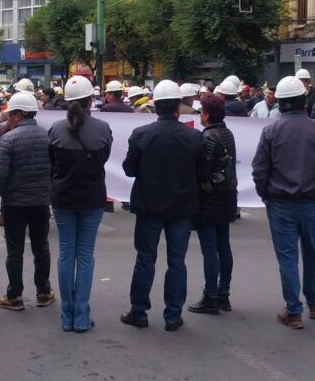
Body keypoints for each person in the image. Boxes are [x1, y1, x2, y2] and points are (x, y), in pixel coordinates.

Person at [252, 77, 315, 329]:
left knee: (287, 257)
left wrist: (266, 196)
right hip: (313, 202)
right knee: (313, 254)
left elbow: (260, 169)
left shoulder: (271, 131)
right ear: (305, 102)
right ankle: (314, 302)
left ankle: (293, 310)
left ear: (280, 104)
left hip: (281, 203)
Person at [121, 80, 206, 332]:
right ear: (178, 107)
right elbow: (202, 173)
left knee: (145, 259)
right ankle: (173, 315)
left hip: (148, 206)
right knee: (177, 261)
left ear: (155, 106)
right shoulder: (193, 136)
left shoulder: (141, 134)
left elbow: (129, 169)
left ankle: (139, 311)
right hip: (182, 207)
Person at [48, 76, 113, 332]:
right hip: (92, 198)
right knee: (85, 256)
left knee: (66, 254)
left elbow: (52, 163)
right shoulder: (103, 128)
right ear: (90, 100)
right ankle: (81, 316)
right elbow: (104, 159)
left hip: (63, 198)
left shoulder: (54, 129)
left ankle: (67, 317)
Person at [0, 91, 54, 311]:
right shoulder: (48, 135)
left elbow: (0, 175)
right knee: (41, 247)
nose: (7, 118)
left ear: (18, 114)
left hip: (14, 204)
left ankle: (15, 295)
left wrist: (4, 195)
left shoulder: (9, 139)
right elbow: (53, 169)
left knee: (15, 251)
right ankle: (43, 291)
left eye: (10, 114)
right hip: (40, 202)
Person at [188, 93, 239, 316]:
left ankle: (210, 296)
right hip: (227, 197)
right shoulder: (227, 133)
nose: (199, 115)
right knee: (223, 246)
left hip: (209, 200)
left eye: (201, 111)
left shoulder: (207, 137)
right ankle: (223, 294)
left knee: (209, 249)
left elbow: (203, 170)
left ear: (207, 115)